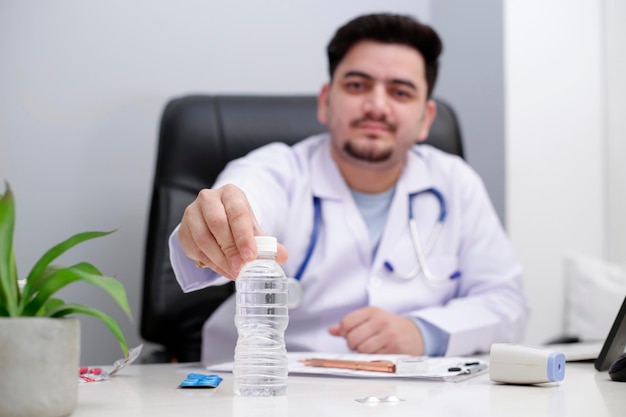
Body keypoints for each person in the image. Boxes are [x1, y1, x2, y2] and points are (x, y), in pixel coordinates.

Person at [169, 13, 529, 364]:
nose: (376, 106)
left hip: (414, 395)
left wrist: (424, 332)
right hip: (276, 388)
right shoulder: (277, 170)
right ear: (325, 101)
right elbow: (243, 199)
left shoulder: (455, 183)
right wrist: (217, 224)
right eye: (357, 86)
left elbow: (506, 301)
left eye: (401, 92)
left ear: (426, 119)